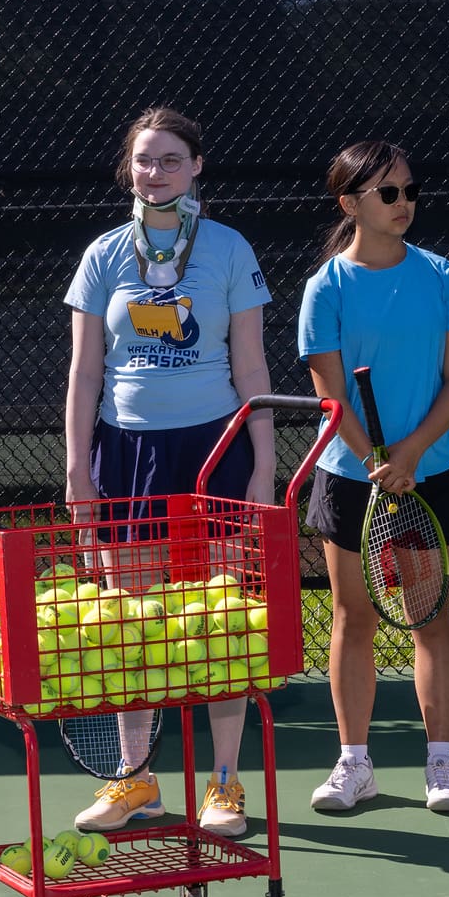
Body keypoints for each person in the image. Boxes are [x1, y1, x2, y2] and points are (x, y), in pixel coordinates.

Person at [62, 108, 275, 838]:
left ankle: (223, 785)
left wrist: (264, 464)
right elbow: (85, 372)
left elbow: (251, 366)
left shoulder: (228, 249)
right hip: (127, 456)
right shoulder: (103, 255)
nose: (157, 172)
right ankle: (135, 780)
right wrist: (77, 472)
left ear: (197, 167)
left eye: (172, 159)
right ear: (129, 168)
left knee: (217, 623)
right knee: (131, 621)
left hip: (215, 452)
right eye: (145, 159)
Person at [296, 141, 449, 814]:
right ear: (350, 204)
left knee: (429, 616)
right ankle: (354, 764)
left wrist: (409, 455)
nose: (404, 204)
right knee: (354, 615)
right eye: (388, 194)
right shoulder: (327, 289)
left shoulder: (441, 276)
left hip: (428, 473)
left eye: (408, 191)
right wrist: (375, 459)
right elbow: (330, 394)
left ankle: (442, 763)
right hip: (350, 476)